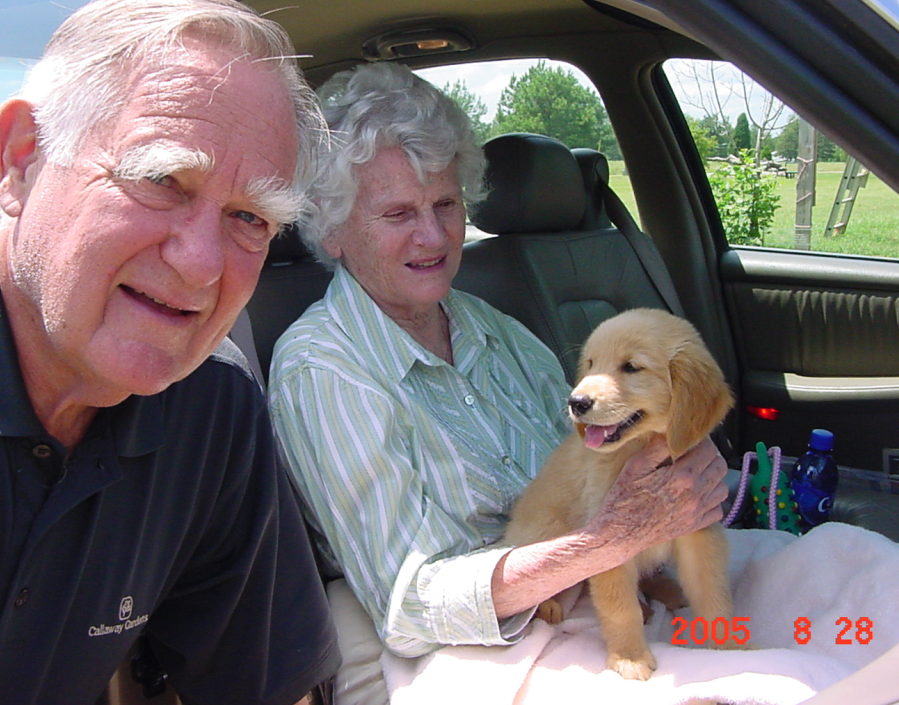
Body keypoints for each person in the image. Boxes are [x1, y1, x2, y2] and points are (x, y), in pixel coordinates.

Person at [0, 0, 339, 705]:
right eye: (162, 179)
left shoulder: (211, 408)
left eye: (250, 218)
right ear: (22, 159)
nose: (201, 265)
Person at [268, 62, 728, 704]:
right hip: (474, 647)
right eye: (398, 213)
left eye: (446, 204)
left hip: (597, 586)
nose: (433, 236)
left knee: (835, 588)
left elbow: (593, 462)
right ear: (333, 230)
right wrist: (601, 543)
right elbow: (408, 603)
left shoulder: (492, 327)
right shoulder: (323, 370)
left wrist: (675, 471)